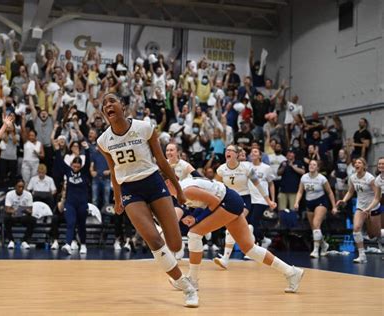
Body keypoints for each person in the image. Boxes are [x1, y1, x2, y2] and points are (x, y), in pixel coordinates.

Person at [97, 93, 198, 307]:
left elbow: (162, 160)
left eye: (112, 101)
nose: (108, 105)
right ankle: (186, 286)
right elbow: (114, 171)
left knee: (176, 243)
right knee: (153, 241)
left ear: (122, 106)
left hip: (154, 183)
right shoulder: (103, 140)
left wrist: (178, 189)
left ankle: (169, 249)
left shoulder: (144, 127)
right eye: (104, 104)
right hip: (130, 190)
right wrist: (117, 199)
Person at [164, 176, 304, 294]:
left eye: (161, 183)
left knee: (194, 234)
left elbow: (214, 202)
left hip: (227, 202)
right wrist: (195, 217)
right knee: (249, 248)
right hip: (231, 200)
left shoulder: (187, 190)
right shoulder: (181, 190)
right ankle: (291, 272)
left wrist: (198, 220)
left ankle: (192, 281)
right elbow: (207, 204)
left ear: (168, 182)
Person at [214, 144, 276, 269]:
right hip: (228, 199)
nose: (228, 152)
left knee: (230, 226)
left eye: (231, 150)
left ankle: (225, 258)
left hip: (244, 199)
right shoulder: (221, 169)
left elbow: (259, 185)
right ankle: (250, 235)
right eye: (227, 150)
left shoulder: (246, 168)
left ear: (237, 154)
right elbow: (215, 187)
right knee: (233, 228)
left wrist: (269, 201)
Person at [337, 158, 381, 263]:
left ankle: (381, 243)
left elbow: (377, 196)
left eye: (359, 163)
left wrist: (369, 208)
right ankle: (362, 255)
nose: (357, 164)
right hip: (360, 207)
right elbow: (350, 191)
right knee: (356, 228)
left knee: (374, 234)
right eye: (355, 163)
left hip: (373, 207)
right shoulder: (352, 178)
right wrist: (344, 200)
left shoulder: (370, 179)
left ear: (364, 166)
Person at [294, 160, 338, 258]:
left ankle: (315, 250)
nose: (311, 166)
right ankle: (324, 245)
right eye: (310, 164)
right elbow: (300, 191)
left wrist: (334, 206)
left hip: (321, 202)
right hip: (309, 203)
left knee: (316, 223)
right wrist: (296, 202)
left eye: (314, 165)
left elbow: (330, 192)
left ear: (318, 167)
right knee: (315, 228)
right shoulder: (304, 177)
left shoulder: (322, 179)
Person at [54, 140, 91, 255]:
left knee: (81, 225)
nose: (75, 167)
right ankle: (68, 245)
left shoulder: (84, 172)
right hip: (70, 203)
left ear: (80, 165)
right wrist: (58, 150)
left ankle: (83, 244)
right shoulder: (68, 171)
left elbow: (88, 162)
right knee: (70, 222)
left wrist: (87, 149)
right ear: (71, 165)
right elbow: (60, 162)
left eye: (78, 165)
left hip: (82, 203)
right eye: (74, 165)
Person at [248, 148, 275, 249]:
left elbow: (271, 184)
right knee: (249, 223)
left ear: (260, 156)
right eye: (252, 151)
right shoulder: (247, 166)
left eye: (255, 151)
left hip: (261, 199)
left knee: (253, 222)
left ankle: (256, 245)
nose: (252, 153)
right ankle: (264, 239)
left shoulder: (266, 168)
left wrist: (272, 200)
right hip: (249, 199)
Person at [4, 179, 36, 250]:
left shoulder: (28, 194)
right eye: (19, 186)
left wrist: (21, 210)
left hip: (23, 216)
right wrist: (16, 211)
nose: (21, 188)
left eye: (22, 187)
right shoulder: (10, 194)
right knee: (6, 218)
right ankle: (11, 240)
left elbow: (30, 210)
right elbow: (7, 209)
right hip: (13, 216)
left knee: (33, 220)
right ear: (15, 186)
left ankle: (25, 241)